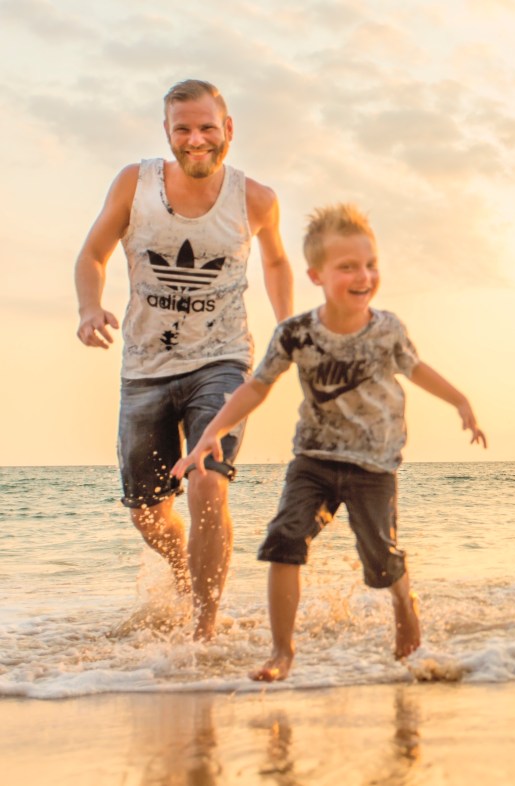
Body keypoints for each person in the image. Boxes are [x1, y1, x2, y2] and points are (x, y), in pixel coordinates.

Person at [172, 203, 487, 681]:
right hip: (313, 460)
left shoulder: (387, 330)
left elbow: (415, 367)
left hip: (374, 465)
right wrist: (211, 432)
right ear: (316, 274)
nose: (364, 276)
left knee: (381, 558)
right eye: (348, 267)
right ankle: (282, 652)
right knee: (283, 541)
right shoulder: (296, 334)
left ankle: (404, 601)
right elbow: (257, 385)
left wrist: (460, 400)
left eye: (370, 264)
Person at [74, 79, 294, 640]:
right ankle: (184, 574)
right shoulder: (135, 183)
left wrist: (288, 326)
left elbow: (275, 264)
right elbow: (94, 253)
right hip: (145, 366)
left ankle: (204, 630)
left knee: (206, 480)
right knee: (148, 513)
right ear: (168, 133)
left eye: (207, 128)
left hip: (221, 361)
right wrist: (88, 307)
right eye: (183, 129)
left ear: (228, 130)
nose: (196, 140)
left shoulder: (257, 199)